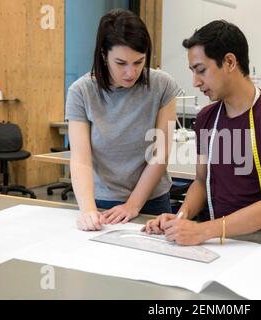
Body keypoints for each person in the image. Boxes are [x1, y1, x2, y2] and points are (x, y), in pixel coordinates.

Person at [143, 20, 261, 245]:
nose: (195, 82)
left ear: (229, 62)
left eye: (201, 70)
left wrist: (202, 231)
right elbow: (201, 181)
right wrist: (181, 219)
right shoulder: (207, 118)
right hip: (219, 234)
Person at [66, 9, 181, 231]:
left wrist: (133, 205)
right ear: (103, 54)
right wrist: (88, 210)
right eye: (121, 63)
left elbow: (160, 153)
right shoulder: (81, 92)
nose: (131, 72)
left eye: (139, 62)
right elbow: (81, 158)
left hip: (152, 201)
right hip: (101, 203)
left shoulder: (162, 85)